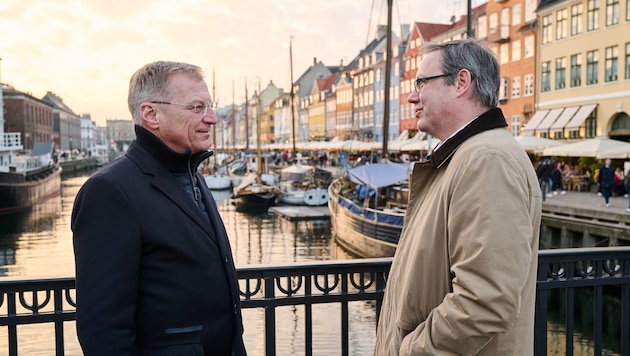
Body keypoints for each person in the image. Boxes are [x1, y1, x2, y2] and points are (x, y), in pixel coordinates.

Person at [374, 39, 541, 355]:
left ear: (461, 82)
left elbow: (486, 300)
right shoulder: (468, 156)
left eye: (422, 83)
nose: (412, 96)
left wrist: (409, 350)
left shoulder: (486, 160)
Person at [71, 61, 247, 355]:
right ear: (151, 114)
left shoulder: (191, 174)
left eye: (210, 106)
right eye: (196, 107)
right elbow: (104, 331)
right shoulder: (109, 190)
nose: (212, 118)